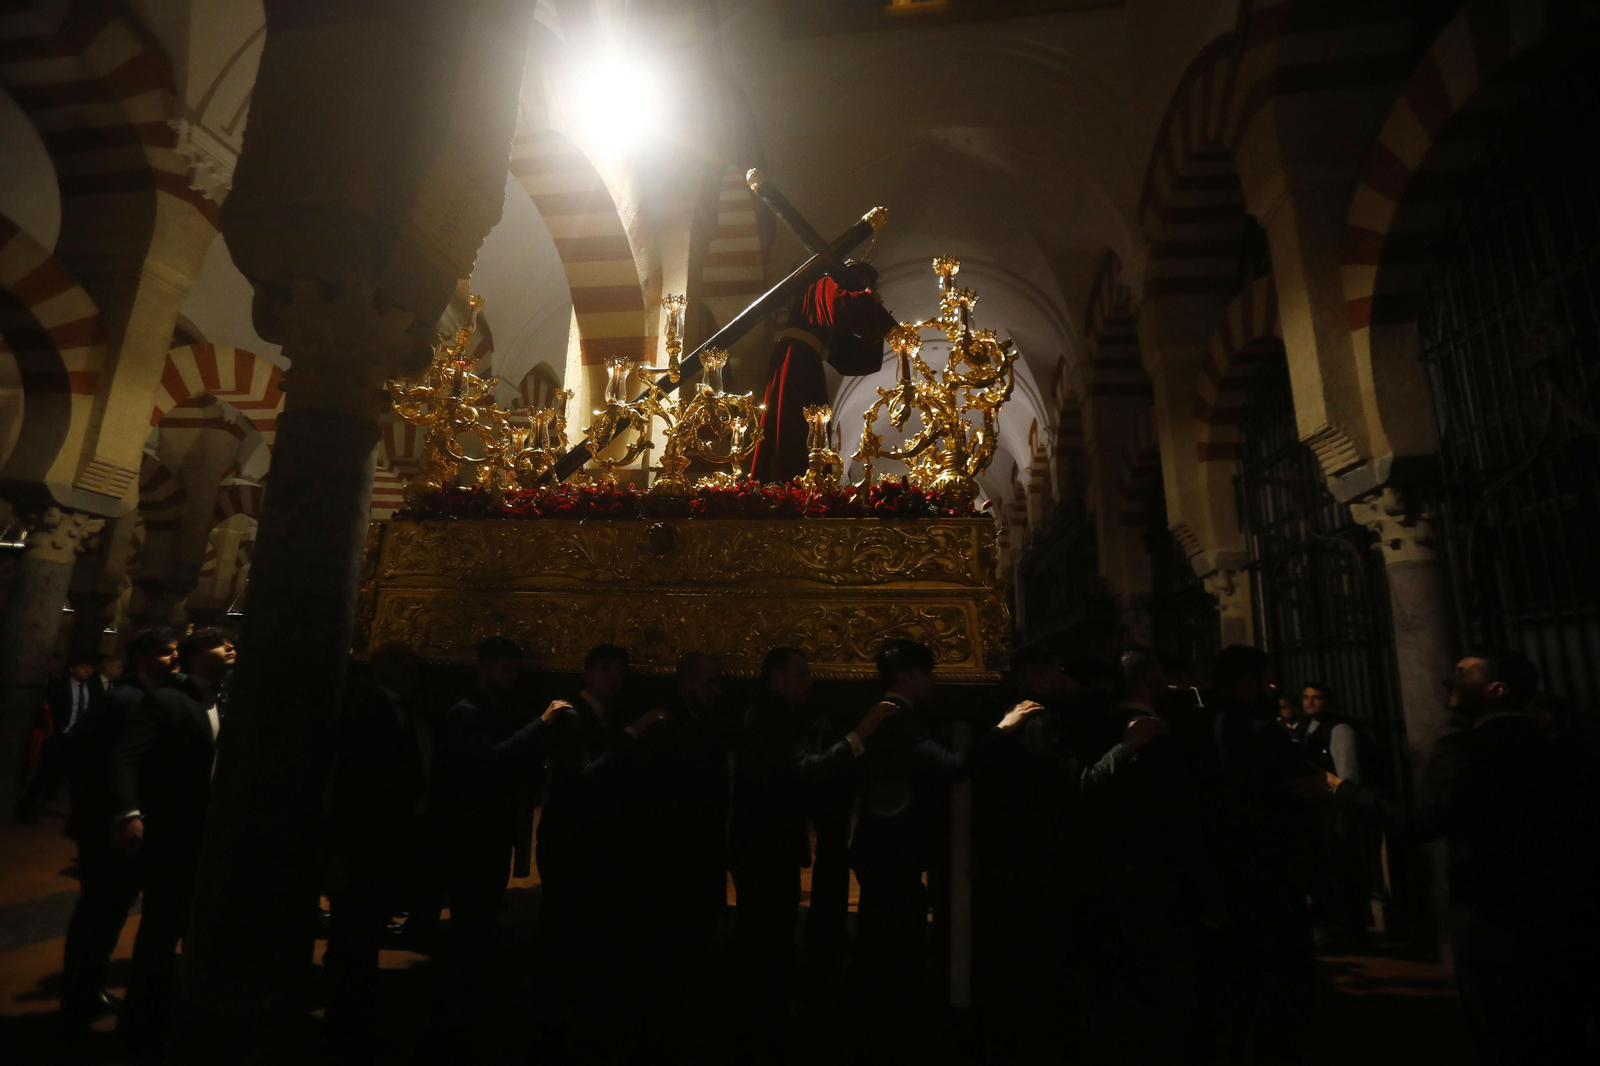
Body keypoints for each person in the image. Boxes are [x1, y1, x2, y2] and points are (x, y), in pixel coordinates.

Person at [1323, 650, 1600, 1063]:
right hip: (1560, 913)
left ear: (1496, 690)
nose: (1447, 681)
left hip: (1489, 912)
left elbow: (1420, 820)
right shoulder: (1563, 747)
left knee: (1500, 1027)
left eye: (1462, 674)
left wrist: (1340, 789)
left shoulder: (1467, 746)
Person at [848, 639, 1038, 1026]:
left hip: (880, 851)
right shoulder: (898, 717)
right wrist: (1003, 728)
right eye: (926, 672)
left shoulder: (891, 714)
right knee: (892, 952)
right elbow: (953, 767)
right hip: (891, 857)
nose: (932, 680)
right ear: (905, 676)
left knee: (882, 946)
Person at [728, 646, 895, 1048]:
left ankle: (762, 1023)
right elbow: (804, 769)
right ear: (776, 678)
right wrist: (861, 733)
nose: (811, 680)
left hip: (766, 850)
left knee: (768, 941)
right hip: (764, 852)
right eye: (802, 673)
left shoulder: (777, 713)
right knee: (765, 944)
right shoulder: (770, 717)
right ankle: (760, 1032)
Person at [107, 627, 234, 1063]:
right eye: (221, 644)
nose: (231, 647)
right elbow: (126, 757)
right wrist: (129, 813)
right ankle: (142, 1025)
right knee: (162, 928)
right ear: (195, 655)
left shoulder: (230, 702)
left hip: (212, 834)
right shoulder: (167, 700)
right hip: (175, 833)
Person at [325, 641, 447, 1050]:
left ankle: (356, 1010)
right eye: (398, 662)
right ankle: (343, 1019)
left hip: (390, 839)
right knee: (351, 933)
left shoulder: (412, 712)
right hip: (363, 839)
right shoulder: (361, 711)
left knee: (367, 927)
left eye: (411, 663)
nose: (408, 670)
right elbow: (345, 784)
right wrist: (338, 849)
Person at [57, 629, 178, 1035]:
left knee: (106, 912)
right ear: (141, 657)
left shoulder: (147, 697)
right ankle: (79, 995)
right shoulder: (121, 699)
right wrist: (114, 813)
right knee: (100, 912)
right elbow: (87, 760)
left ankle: (87, 987)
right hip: (107, 825)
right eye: (166, 652)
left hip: (122, 821)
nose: (174, 658)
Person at [1201, 645, 1315, 1065]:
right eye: (1268, 681)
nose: (1274, 688)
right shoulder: (1260, 729)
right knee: (1276, 980)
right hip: (1267, 869)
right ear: (1249, 684)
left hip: (1224, 870)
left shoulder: (1197, 724)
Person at [434, 638, 568, 979]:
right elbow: (491, 764)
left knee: (486, 904)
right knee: (472, 910)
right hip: (471, 829)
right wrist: (541, 724)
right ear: (484, 668)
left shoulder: (496, 707)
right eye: (505, 670)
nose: (511, 678)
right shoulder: (467, 712)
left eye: (514, 671)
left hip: (491, 827)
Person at [749, 264, 895, 483]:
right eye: (861, 283)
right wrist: (868, 300)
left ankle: (802, 481)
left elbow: (850, 359)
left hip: (806, 361)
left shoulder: (829, 320)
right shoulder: (823, 284)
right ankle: (788, 481)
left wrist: (874, 333)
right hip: (796, 359)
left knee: (805, 423)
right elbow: (841, 306)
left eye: (867, 286)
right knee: (793, 421)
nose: (863, 288)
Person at [1292, 682, 1370, 948]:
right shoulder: (1302, 727)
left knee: (1339, 867)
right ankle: (1333, 924)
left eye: (1317, 698)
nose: (1310, 702)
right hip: (1315, 808)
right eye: (1306, 697)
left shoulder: (1339, 730)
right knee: (1321, 868)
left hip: (1332, 807)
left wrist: (1339, 804)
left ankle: (1350, 928)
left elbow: (1349, 775)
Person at [17, 654, 102, 818]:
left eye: (90, 668)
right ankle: (28, 808)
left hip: (78, 737)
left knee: (69, 776)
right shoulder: (60, 687)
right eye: (83, 667)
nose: (87, 671)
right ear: (72, 669)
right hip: (58, 735)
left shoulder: (92, 688)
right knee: (43, 773)